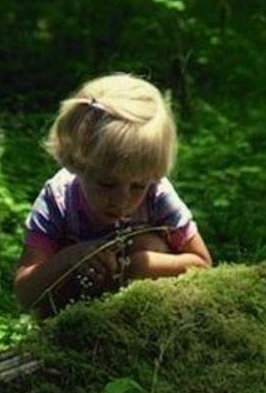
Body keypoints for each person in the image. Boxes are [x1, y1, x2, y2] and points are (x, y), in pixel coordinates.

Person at [14, 73, 212, 316]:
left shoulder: (157, 193)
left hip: (145, 315)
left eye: (137, 186)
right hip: (70, 317)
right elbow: (26, 294)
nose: (121, 201)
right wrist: (71, 259)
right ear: (78, 163)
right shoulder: (58, 199)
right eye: (107, 185)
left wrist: (137, 265)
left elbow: (202, 265)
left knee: (149, 243)